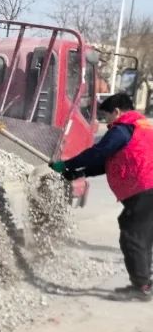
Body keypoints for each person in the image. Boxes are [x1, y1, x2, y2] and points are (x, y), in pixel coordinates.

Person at [51, 93, 153, 302]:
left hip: (144, 188)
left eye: (106, 116)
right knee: (142, 235)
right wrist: (80, 173)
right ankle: (144, 282)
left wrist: (67, 164)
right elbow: (113, 162)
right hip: (147, 187)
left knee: (132, 236)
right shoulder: (141, 127)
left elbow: (98, 152)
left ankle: (141, 287)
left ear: (117, 112)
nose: (106, 122)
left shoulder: (122, 129)